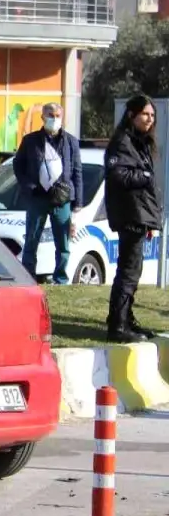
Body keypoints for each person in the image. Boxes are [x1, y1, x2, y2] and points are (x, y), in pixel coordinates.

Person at [104, 95, 163, 343]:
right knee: (128, 272)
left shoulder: (139, 142)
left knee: (133, 270)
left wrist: (150, 220)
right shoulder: (122, 141)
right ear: (131, 115)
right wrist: (145, 175)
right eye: (145, 114)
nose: (149, 119)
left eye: (152, 116)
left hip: (139, 215)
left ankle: (125, 318)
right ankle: (118, 325)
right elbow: (119, 175)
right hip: (129, 214)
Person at [13, 103, 83, 284]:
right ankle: (29, 278)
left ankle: (60, 278)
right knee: (31, 241)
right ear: (43, 118)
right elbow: (18, 165)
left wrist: (78, 205)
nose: (54, 119)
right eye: (50, 115)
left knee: (63, 244)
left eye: (58, 115)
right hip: (38, 198)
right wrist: (29, 186)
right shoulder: (30, 141)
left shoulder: (71, 142)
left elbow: (77, 172)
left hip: (62, 200)